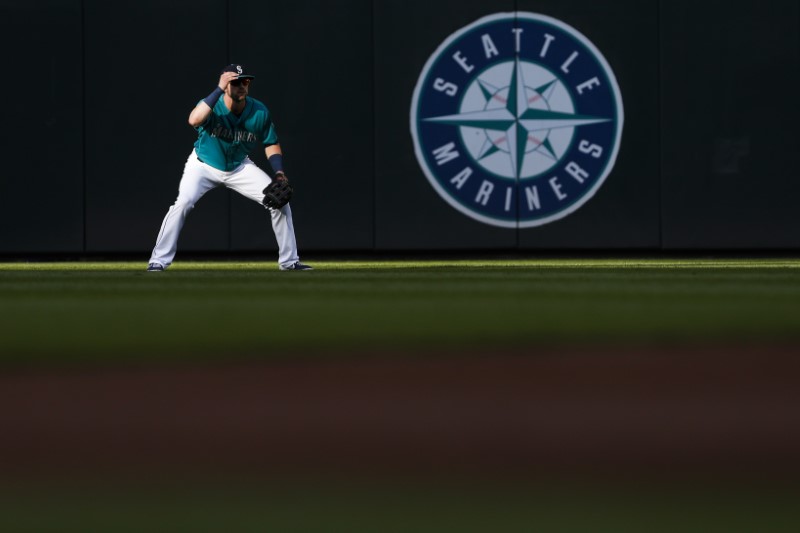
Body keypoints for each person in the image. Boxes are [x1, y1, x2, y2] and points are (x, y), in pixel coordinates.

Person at [147, 64, 311, 272]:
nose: (242, 86)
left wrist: (279, 172)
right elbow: (193, 119)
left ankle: (289, 261)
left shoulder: (259, 111)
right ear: (225, 85)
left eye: (245, 81)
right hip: (203, 165)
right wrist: (218, 88)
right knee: (183, 203)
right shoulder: (211, 105)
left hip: (239, 167)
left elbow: (271, 143)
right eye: (235, 82)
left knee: (280, 203)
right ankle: (158, 260)